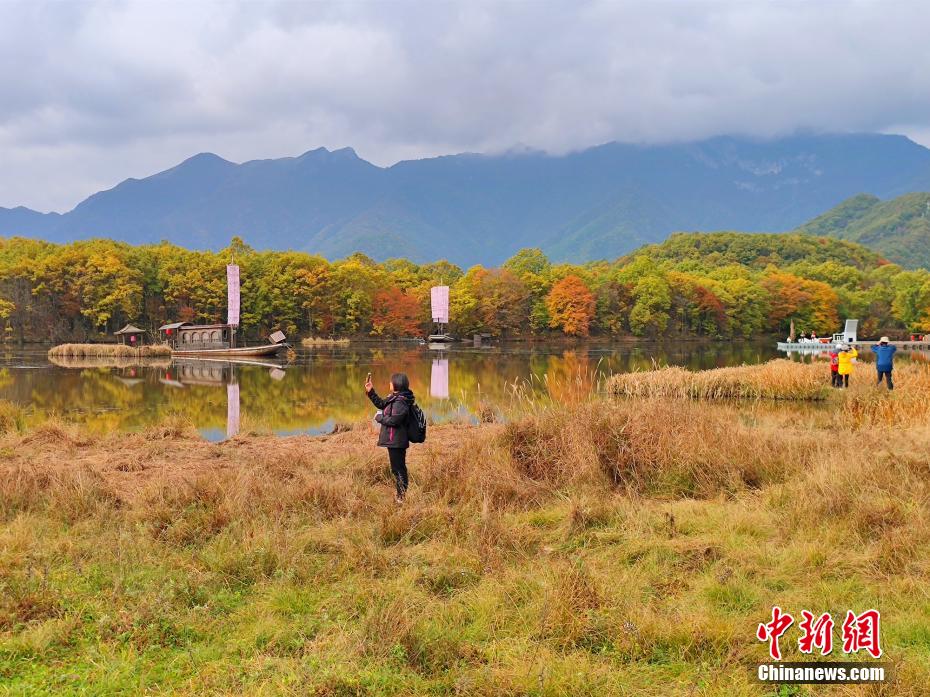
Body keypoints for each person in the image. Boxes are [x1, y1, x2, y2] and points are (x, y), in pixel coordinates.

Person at [365, 371, 415, 503]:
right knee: (397, 468)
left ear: (397, 384)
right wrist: (371, 391)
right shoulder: (394, 397)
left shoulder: (401, 402)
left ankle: (401, 498)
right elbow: (381, 404)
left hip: (397, 441)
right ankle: (400, 496)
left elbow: (394, 421)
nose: (390, 383)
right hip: (394, 440)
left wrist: (379, 417)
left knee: (398, 469)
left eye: (391, 381)